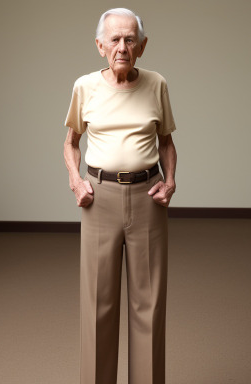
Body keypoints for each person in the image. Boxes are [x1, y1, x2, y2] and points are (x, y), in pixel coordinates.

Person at [63, 8, 177, 384]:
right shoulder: (84, 87)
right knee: (99, 305)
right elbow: (71, 143)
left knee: (149, 304)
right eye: (114, 39)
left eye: (130, 39)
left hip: (147, 197)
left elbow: (166, 143)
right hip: (100, 198)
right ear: (100, 46)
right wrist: (76, 181)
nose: (122, 47)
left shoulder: (157, 84)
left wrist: (171, 180)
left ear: (142, 47)